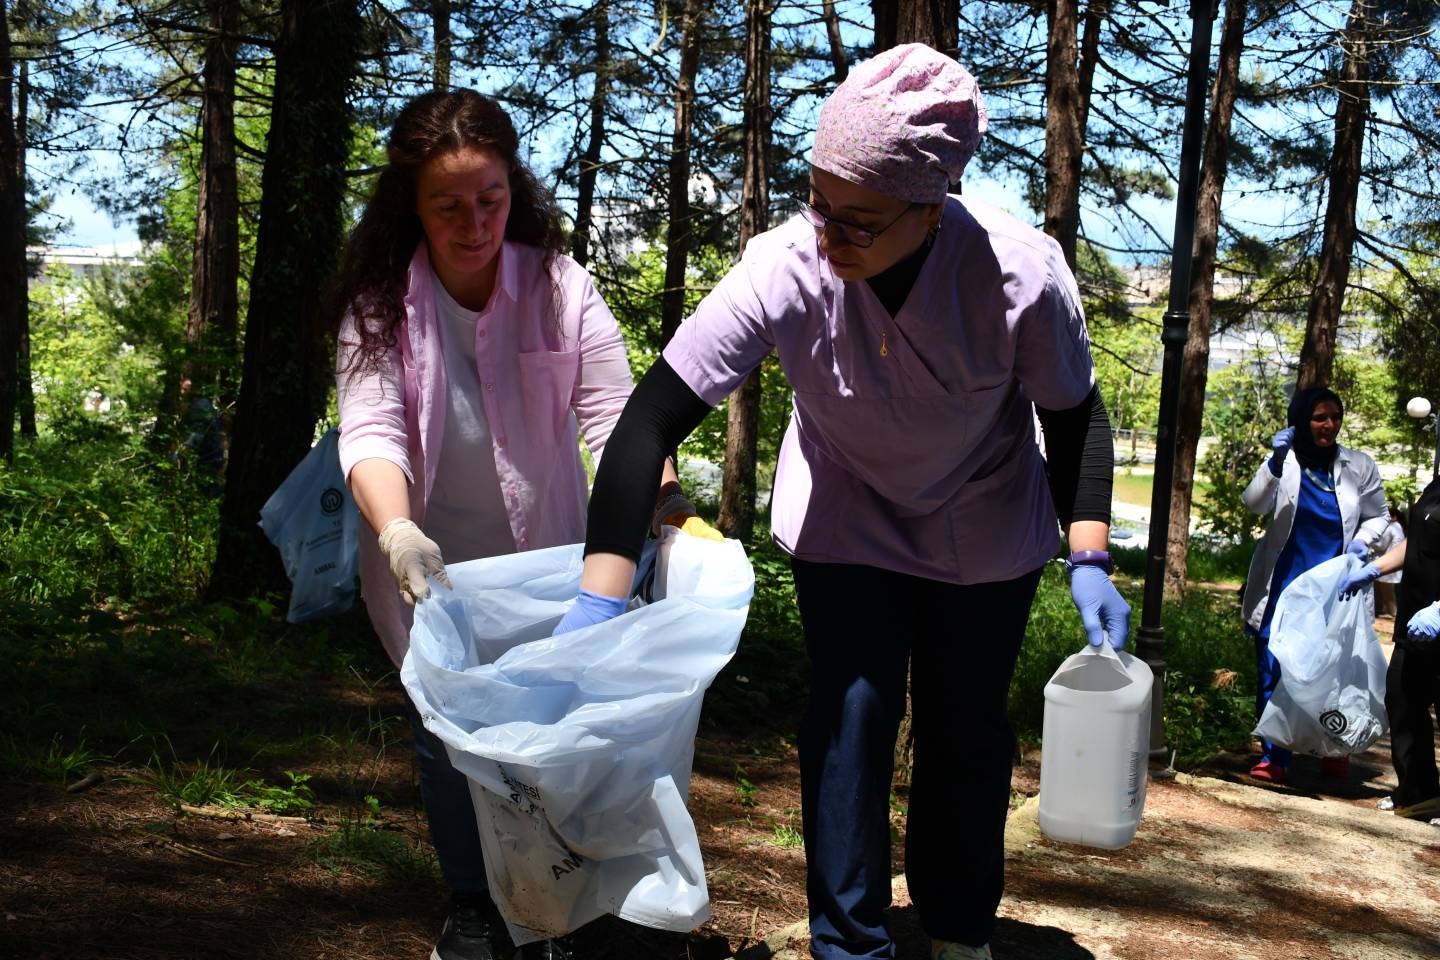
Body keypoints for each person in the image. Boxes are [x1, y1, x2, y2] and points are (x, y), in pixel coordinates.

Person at [556, 44, 1129, 960]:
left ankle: (957, 928)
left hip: (981, 524)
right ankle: (849, 942)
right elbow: (649, 417)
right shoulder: (783, 266)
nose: (829, 235)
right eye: (818, 202)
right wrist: (600, 589)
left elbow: (1075, 418)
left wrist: (1091, 553)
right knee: (848, 723)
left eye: (859, 220)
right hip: (846, 515)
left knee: (965, 728)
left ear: (931, 205)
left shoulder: (1019, 274)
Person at [332, 89, 712, 960]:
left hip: (553, 574)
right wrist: (396, 533)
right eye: (448, 206)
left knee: (557, 743)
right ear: (411, 205)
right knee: (448, 742)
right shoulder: (378, 305)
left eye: (491, 201)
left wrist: (670, 509)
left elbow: (620, 421)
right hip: (429, 573)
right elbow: (372, 429)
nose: (474, 224)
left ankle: (563, 908)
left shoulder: (559, 286)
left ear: (515, 190)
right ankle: (474, 906)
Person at [1240, 387, 1388, 784]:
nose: (1329, 426)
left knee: (1333, 667)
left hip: (1334, 587)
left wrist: (1363, 542)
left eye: (1335, 417)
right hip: (1285, 581)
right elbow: (1253, 502)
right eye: (1319, 417)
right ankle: (1275, 756)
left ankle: (1333, 751)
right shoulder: (1285, 462)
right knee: (1275, 663)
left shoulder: (1358, 465)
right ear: (1301, 419)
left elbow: (1380, 517)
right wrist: (1273, 461)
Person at [1346, 474, 1440, 822]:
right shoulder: (1436, 486)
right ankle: (1419, 792)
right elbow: (1415, 542)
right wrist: (1373, 568)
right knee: (1402, 699)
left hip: (1437, 618)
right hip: (1414, 622)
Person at [1371, 506, 1406, 618]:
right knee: (1381, 591)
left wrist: (1368, 541)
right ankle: (1378, 610)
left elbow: (1381, 545)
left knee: (1387, 593)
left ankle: (1393, 613)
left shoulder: (1392, 527)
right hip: (1392, 563)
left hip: (1387, 562)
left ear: (1393, 517)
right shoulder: (1398, 527)